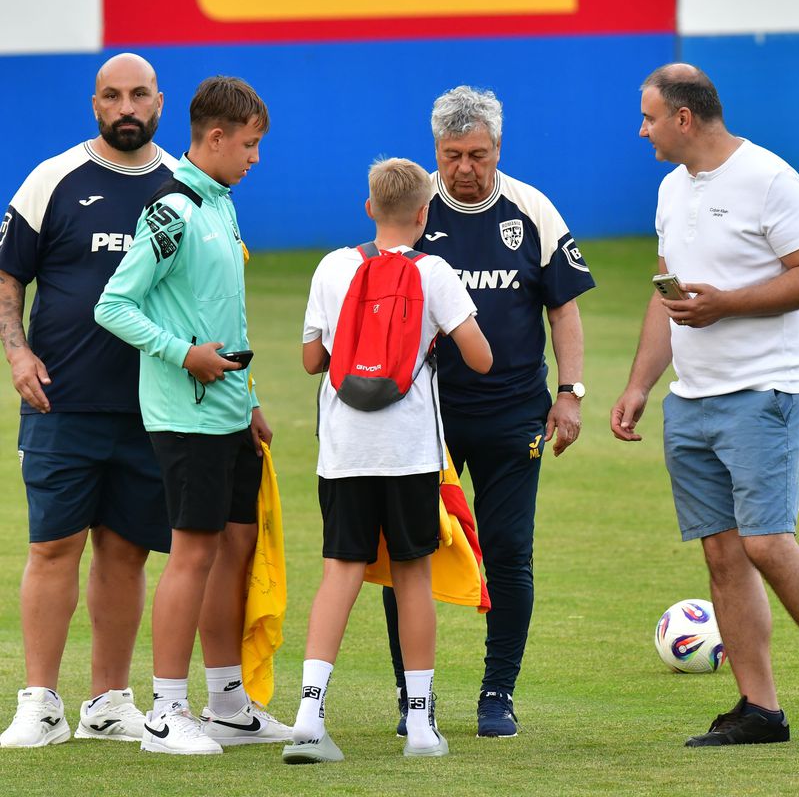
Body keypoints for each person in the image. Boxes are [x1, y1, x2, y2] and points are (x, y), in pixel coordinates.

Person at [610, 63, 799, 749]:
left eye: (649, 117)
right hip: (691, 400)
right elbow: (665, 295)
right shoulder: (671, 189)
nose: (641, 129)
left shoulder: (770, 177)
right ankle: (759, 709)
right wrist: (641, 383)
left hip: (763, 391)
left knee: (766, 542)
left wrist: (726, 305)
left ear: (683, 118)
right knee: (724, 555)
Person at [381, 85, 595, 739]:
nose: (466, 168)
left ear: (498, 148)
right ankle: (412, 696)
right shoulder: (413, 214)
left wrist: (570, 394)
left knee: (507, 551)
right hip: (425, 421)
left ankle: (497, 692)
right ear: (435, 153)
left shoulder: (531, 211)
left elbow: (563, 308)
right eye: (452, 155)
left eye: (478, 154)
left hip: (513, 417)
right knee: (410, 554)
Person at [94, 75, 290, 755]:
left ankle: (229, 703)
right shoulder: (171, 209)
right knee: (194, 553)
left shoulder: (223, 203)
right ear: (214, 138)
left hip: (233, 414)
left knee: (234, 551)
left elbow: (223, 315)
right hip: (186, 416)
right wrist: (183, 356)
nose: (255, 157)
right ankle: (164, 713)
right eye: (250, 144)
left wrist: (254, 396)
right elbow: (114, 305)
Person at [284, 157, 492, 764]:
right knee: (412, 576)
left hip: (345, 450)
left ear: (369, 206)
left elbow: (310, 360)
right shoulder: (436, 272)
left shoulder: (333, 266)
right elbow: (481, 359)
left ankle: (308, 715)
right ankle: (422, 724)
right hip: (409, 451)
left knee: (340, 572)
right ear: (426, 214)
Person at [0, 53, 175, 749]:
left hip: (152, 406)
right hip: (60, 402)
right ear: (95, 102)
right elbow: (9, 277)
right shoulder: (53, 179)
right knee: (52, 546)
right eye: (112, 96)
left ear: (159, 101)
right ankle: (38, 703)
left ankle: (107, 702)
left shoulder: (180, 186)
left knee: (127, 552)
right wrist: (16, 351)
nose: (125, 107)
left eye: (138, 95)